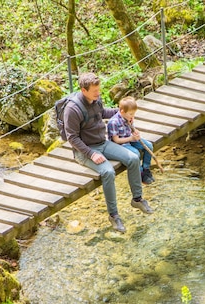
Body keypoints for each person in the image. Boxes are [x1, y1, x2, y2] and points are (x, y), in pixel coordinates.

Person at [63, 72, 153, 233]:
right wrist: (91, 154)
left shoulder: (96, 100)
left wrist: (122, 114)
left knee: (133, 158)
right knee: (108, 172)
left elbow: (103, 113)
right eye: (94, 91)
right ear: (84, 91)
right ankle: (114, 216)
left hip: (103, 143)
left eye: (98, 90)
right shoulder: (72, 109)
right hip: (84, 152)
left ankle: (137, 199)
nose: (98, 93)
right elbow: (72, 138)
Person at [106, 96, 155, 185]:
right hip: (120, 145)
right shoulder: (114, 122)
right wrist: (131, 138)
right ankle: (140, 173)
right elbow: (116, 140)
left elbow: (131, 130)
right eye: (131, 114)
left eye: (134, 114)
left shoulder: (128, 117)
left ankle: (146, 169)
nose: (133, 116)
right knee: (135, 153)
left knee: (149, 145)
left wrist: (135, 132)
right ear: (122, 112)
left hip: (129, 139)